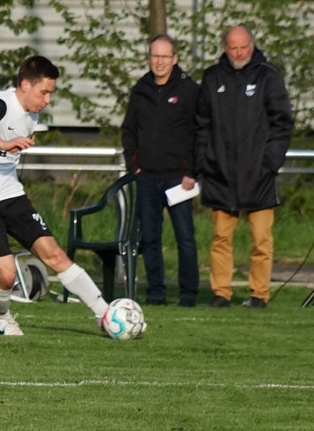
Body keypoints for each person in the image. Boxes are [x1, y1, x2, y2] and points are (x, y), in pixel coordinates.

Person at [0, 55, 112, 336]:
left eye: (51, 93)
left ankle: (106, 314)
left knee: (55, 255)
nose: (47, 100)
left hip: (11, 195)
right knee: (6, 274)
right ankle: (2, 315)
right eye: (44, 92)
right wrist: (4, 142)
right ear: (25, 85)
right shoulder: (1, 102)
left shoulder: (32, 115)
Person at [195, 25, 293, 309]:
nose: (239, 53)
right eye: (233, 48)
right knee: (220, 238)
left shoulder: (269, 76)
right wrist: (204, 162)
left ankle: (259, 294)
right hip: (220, 174)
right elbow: (201, 124)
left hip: (259, 174)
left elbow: (282, 123)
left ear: (252, 45)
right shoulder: (212, 77)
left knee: (261, 240)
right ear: (225, 48)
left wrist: (270, 163)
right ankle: (221, 293)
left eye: (243, 47)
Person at [121, 34, 200, 307]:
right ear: (149, 58)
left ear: (174, 59)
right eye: (155, 56)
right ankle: (156, 293)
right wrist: (134, 166)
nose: (159, 62)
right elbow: (128, 130)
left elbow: (199, 132)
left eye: (165, 56)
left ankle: (188, 294)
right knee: (150, 239)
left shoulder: (189, 90)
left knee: (185, 238)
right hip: (146, 178)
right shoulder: (140, 89)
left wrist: (192, 171)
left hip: (179, 178)